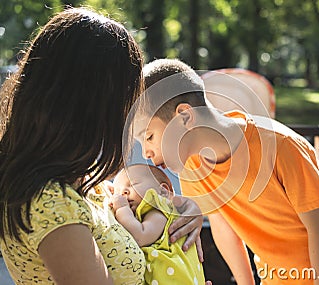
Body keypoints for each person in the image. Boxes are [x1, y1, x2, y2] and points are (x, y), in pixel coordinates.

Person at [0, 9, 205, 285]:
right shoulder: (51, 206)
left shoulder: (78, 179)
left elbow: (134, 204)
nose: (128, 117)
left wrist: (185, 209)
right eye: (126, 101)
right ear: (94, 106)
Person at [132, 58, 319, 285]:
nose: (146, 153)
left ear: (184, 116)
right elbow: (224, 229)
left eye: (149, 137)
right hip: (280, 273)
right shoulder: (191, 165)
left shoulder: (279, 144)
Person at [111, 164, 206, 285]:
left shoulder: (160, 208)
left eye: (132, 184)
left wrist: (121, 208)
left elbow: (140, 236)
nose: (123, 192)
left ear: (163, 191)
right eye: (118, 192)